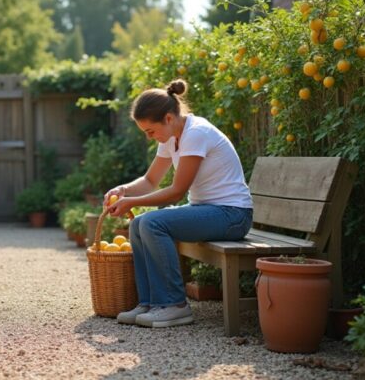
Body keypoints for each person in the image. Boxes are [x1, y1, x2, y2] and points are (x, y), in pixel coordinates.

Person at [104, 79, 253, 328]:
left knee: (152, 224)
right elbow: (151, 180)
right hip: (208, 211)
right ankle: (150, 303)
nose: (150, 137)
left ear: (168, 118)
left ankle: (174, 305)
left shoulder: (196, 133)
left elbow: (176, 192)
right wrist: (123, 190)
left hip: (233, 215)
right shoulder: (171, 137)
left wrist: (131, 202)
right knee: (138, 224)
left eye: (150, 131)